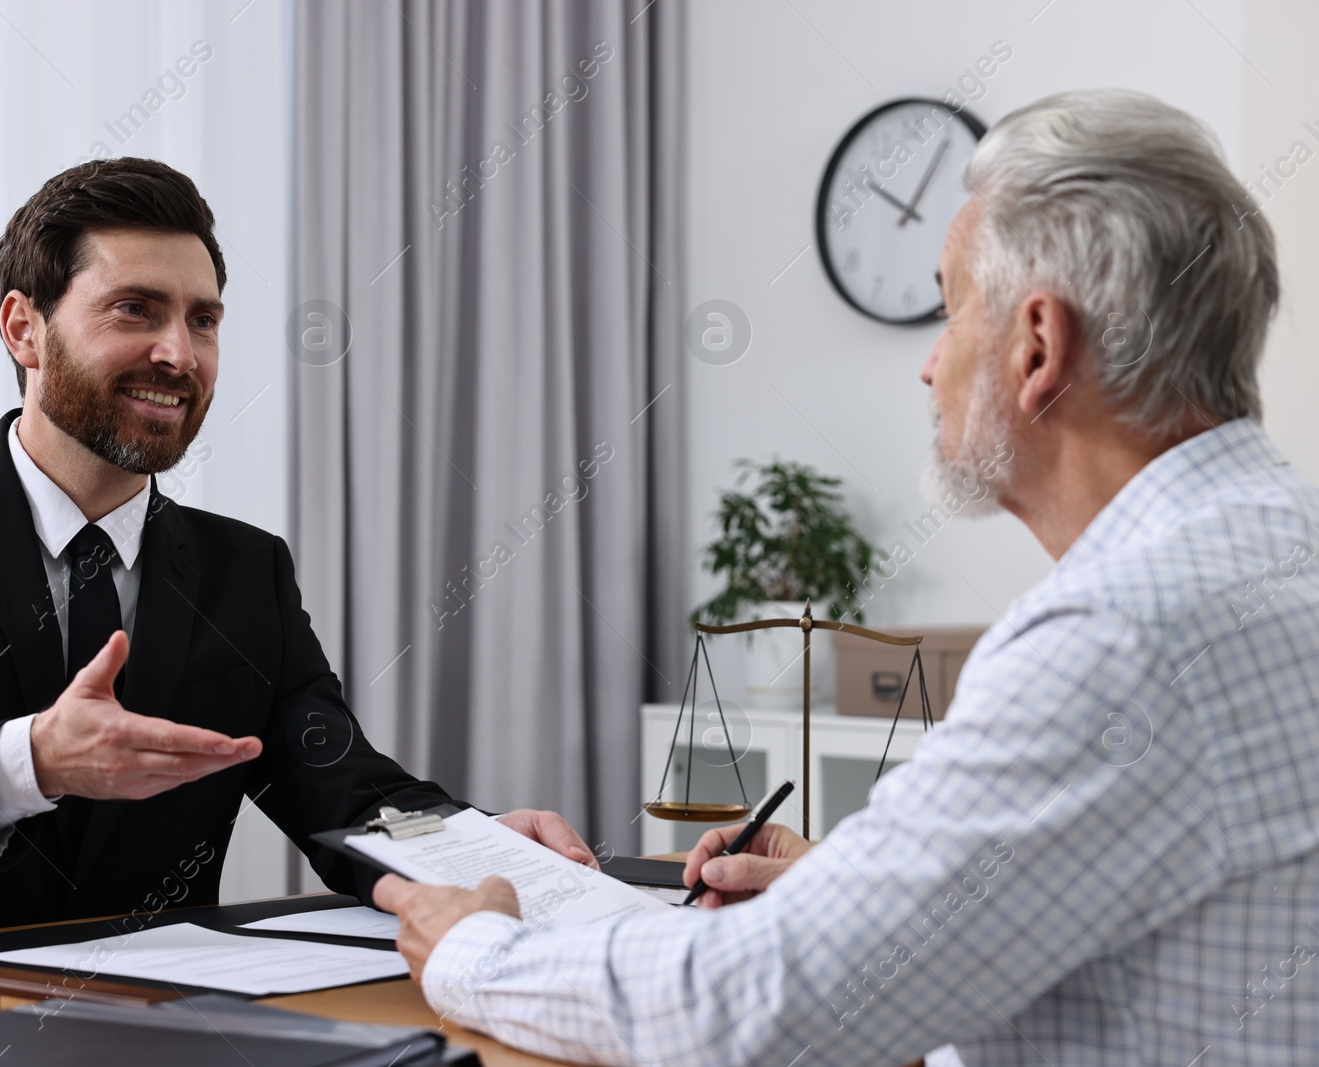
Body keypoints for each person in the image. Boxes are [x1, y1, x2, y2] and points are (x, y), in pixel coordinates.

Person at [375, 89, 1319, 1065]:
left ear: (1036, 344)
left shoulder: (1119, 632)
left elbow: (749, 1012)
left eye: (951, 307)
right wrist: (863, 895)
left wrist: (472, 947)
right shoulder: (1274, 547)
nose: (929, 365)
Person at [0, 157, 591, 955]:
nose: (179, 353)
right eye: (136, 309)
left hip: (149, 1018)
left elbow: (341, 788)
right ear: (24, 328)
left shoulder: (246, 570)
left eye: (202, 320)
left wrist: (472, 850)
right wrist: (33, 759)